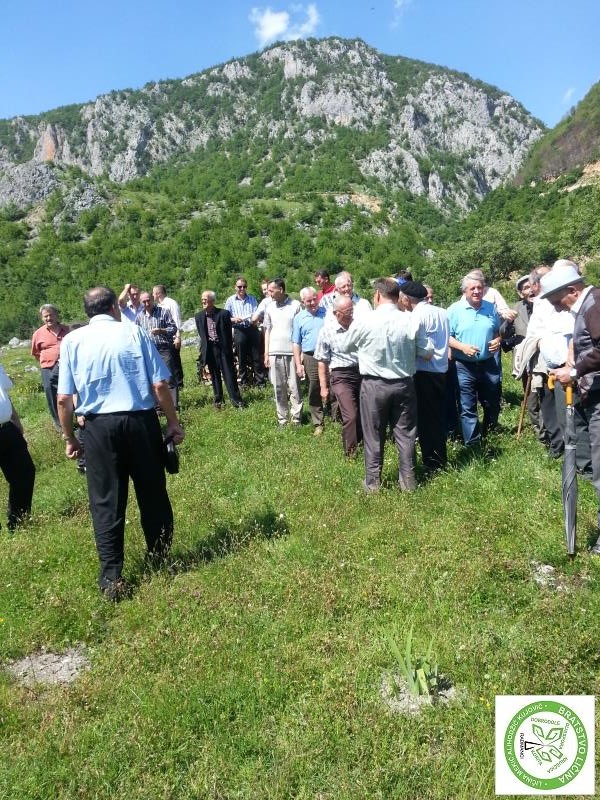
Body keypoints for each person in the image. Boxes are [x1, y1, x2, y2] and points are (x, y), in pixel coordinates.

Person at [56, 286, 184, 601]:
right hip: (140, 422)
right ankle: (160, 559)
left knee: (105, 503)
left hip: (98, 428)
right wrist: (173, 422)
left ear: (87, 311)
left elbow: (63, 399)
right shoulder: (134, 332)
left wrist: (70, 437)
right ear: (115, 306)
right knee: (153, 493)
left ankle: (112, 578)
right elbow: (159, 384)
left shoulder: (72, 340)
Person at [339, 278, 433, 492]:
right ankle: (408, 482)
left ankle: (373, 484)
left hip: (374, 385)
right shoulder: (410, 320)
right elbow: (427, 352)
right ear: (398, 296)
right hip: (404, 384)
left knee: (373, 435)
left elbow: (345, 347)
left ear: (377, 295)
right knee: (406, 435)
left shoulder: (365, 320)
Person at [543, 266, 600, 553]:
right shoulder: (587, 306)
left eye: (557, 301)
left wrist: (575, 372)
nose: (557, 307)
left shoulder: (594, 305)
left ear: (572, 291)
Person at [400, 281, 449, 473]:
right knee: (437, 416)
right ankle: (439, 456)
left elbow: (412, 344)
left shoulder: (415, 316)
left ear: (406, 299)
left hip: (423, 371)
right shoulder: (442, 312)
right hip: (441, 370)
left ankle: (432, 462)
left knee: (426, 420)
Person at [447, 273, 502, 446]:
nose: (477, 291)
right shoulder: (454, 310)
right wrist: (462, 347)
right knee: (467, 405)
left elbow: (497, 331)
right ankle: (472, 443)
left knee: (491, 402)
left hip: (488, 364)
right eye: (473, 288)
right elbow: (446, 337)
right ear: (465, 291)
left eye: (480, 288)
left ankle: (490, 433)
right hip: (463, 365)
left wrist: (497, 340)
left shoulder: (490, 308)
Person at [315, 295, 362, 456]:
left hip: (362, 372)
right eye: (347, 311)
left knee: (363, 412)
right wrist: (323, 388)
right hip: (341, 375)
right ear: (336, 313)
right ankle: (350, 453)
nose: (351, 314)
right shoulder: (326, 331)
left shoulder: (359, 327)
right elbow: (322, 361)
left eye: (352, 310)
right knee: (351, 415)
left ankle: (362, 442)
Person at [0, 363, 35, 530]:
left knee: (24, 473)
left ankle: (18, 522)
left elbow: (4, 393)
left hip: (7, 428)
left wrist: (16, 419)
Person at [263, 278, 302, 426]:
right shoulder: (269, 307)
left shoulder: (296, 305)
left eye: (271, 290)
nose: (269, 293)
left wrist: (300, 353)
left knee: (294, 387)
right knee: (278, 387)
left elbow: (300, 329)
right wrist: (266, 352)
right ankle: (282, 419)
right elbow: (267, 330)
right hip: (274, 352)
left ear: (281, 289)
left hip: (292, 352)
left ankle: (297, 418)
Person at [195, 291, 243, 409]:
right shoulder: (199, 316)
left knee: (229, 374)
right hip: (210, 350)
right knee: (214, 376)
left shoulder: (223, 314)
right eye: (202, 299)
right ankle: (218, 402)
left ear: (212, 300)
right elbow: (202, 335)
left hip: (223, 349)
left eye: (205, 299)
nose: (203, 301)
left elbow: (228, 333)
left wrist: (227, 348)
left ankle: (236, 401)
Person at [292, 287, 327, 435]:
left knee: (333, 384)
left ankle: (335, 418)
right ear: (303, 302)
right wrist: (298, 364)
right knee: (314, 387)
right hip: (310, 356)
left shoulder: (327, 313)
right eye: (308, 301)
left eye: (314, 299)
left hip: (328, 355)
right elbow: (296, 342)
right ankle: (318, 422)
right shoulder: (299, 318)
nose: (313, 303)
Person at [136, 291, 179, 409]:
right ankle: (159, 406)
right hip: (148, 351)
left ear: (152, 299)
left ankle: (174, 406)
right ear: (140, 303)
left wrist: (161, 330)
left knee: (169, 377)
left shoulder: (163, 312)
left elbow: (173, 328)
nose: (147, 303)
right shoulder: (139, 317)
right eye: (144, 302)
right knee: (153, 379)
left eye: (148, 300)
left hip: (163, 349)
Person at [30, 304, 69, 432]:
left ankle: (75, 417)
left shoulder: (66, 330)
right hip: (48, 368)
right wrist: (47, 361)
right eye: (45, 316)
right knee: (50, 392)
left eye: (51, 315)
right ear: (42, 318)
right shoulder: (38, 334)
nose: (48, 318)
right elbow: (36, 353)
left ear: (56, 315)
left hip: (66, 366)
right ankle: (59, 423)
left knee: (69, 392)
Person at [225, 277, 267, 388]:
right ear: (235, 287)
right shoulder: (230, 300)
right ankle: (243, 382)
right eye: (240, 287)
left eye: (244, 286)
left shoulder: (252, 299)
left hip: (252, 328)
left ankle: (260, 382)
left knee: (256, 356)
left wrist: (255, 318)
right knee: (241, 357)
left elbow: (257, 313)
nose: (242, 289)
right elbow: (226, 317)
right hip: (239, 329)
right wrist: (234, 319)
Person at [153, 284, 184, 389]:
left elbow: (177, 320)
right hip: (165, 338)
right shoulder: (158, 306)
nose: (152, 295)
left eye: (153, 293)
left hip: (173, 337)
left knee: (175, 361)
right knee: (168, 362)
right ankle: (171, 383)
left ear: (158, 293)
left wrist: (178, 337)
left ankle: (179, 384)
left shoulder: (171, 303)